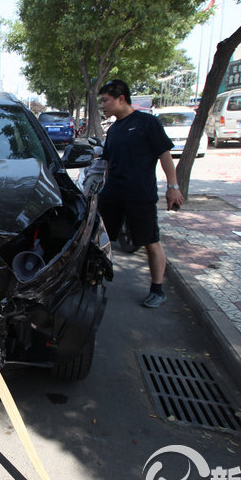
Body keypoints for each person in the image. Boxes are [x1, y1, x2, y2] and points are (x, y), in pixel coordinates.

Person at [96, 79, 185, 308]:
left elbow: (165, 156)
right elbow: (108, 164)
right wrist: (103, 189)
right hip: (113, 195)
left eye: (105, 100)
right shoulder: (114, 129)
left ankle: (157, 290)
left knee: (151, 242)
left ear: (121, 98)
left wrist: (172, 187)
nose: (103, 105)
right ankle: (94, 282)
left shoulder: (146, 123)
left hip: (140, 196)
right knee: (100, 240)